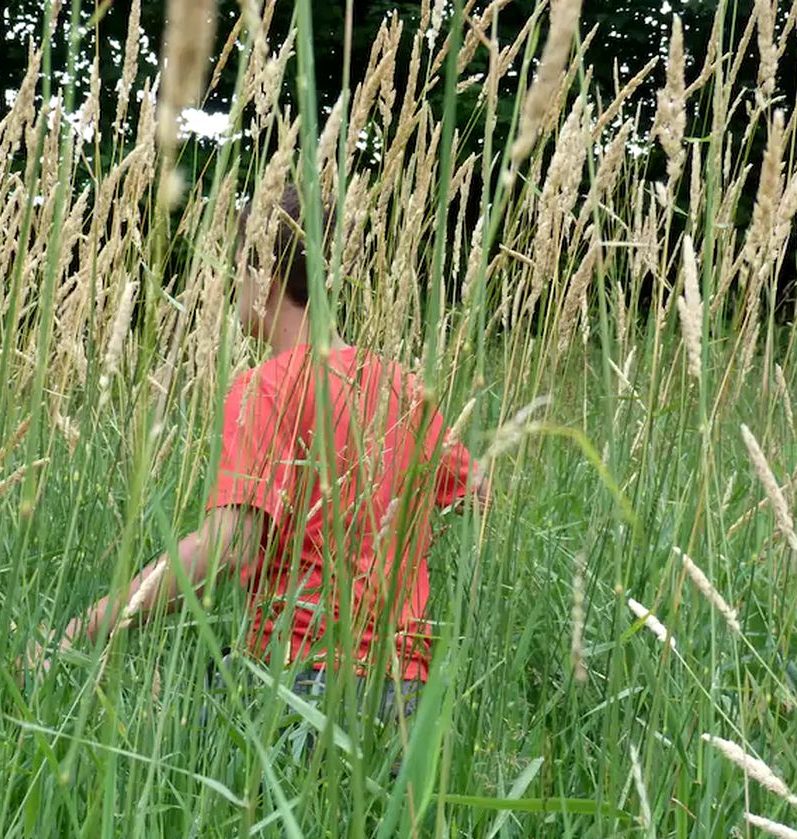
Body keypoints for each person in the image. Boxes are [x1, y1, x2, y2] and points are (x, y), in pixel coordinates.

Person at [49, 183, 488, 724]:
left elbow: (228, 544)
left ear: (261, 275)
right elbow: (481, 497)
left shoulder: (268, 386)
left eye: (236, 271)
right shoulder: (402, 388)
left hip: (296, 684)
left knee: (134, 718)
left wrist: (83, 629)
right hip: (406, 696)